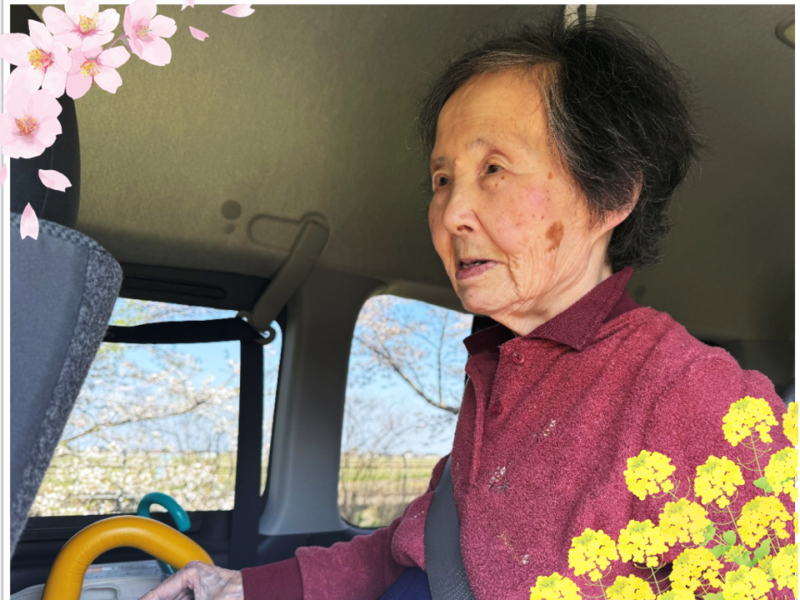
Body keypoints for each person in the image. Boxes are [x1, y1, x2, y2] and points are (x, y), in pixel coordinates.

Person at [140, 12, 795, 600]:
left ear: (612, 194)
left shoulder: (696, 395)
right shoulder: (499, 371)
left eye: (494, 169)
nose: (451, 212)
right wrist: (238, 585)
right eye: (442, 179)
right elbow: (403, 551)